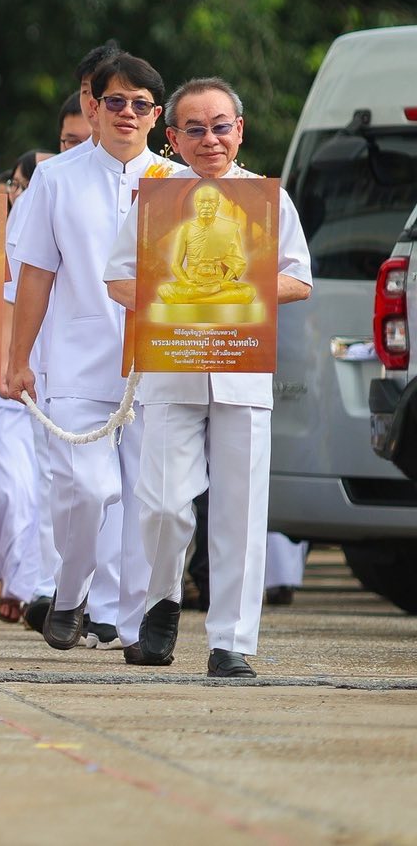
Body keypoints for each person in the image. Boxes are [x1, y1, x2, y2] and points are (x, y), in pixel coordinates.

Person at [108, 77, 312, 678]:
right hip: (173, 364)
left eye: (220, 126)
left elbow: (298, 279)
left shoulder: (264, 200)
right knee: (164, 505)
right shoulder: (157, 201)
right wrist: (175, 294)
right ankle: (163, 599)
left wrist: (237, 284)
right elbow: (119, 280)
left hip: (242, 365)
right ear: (171, 138)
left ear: (239, 131)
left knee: (240, 511)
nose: (209, 139)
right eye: (193, 129)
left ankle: (231, 641)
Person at [4, 52, 168, 650]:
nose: (127, 113)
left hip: (155, 365)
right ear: (93, 106)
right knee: (88, 489)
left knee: (144, 500)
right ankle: (70, 591)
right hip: (76, 359)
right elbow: (36, 275)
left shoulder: (173, 185)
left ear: (156, 115)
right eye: (116, 101)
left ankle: (128, 625)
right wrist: (18, 357)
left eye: (141, 104)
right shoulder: (56, 178)